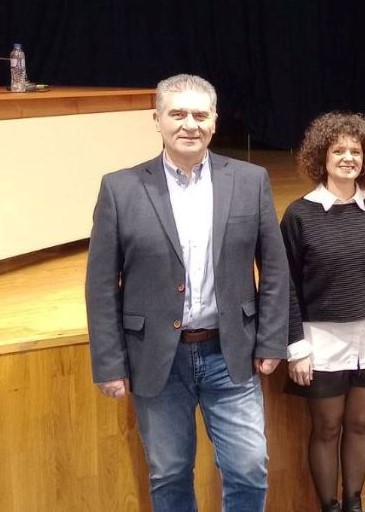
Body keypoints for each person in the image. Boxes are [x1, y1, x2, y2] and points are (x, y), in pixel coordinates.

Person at [85, 74, 289, 512]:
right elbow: (101, 285)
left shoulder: (251, 180)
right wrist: (109, 363)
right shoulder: (120, 188)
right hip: (157, 358)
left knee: (249, 467)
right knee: (170, 473)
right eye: (177, 114)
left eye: (200, 115)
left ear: (214, 121)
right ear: (156, 119)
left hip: (230, 354)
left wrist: (272, 340)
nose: (189, 125)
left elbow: (274, 267)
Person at [280, 112, 365, 512]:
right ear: (321, 158)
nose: (347, 158)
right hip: (321, 340)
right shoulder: (299, 214)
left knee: (359, 424)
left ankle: (354, 503)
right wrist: (295, 346)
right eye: (338, 150)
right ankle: (330, 506)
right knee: (327, 427)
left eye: (355, 151)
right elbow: (286, 286)